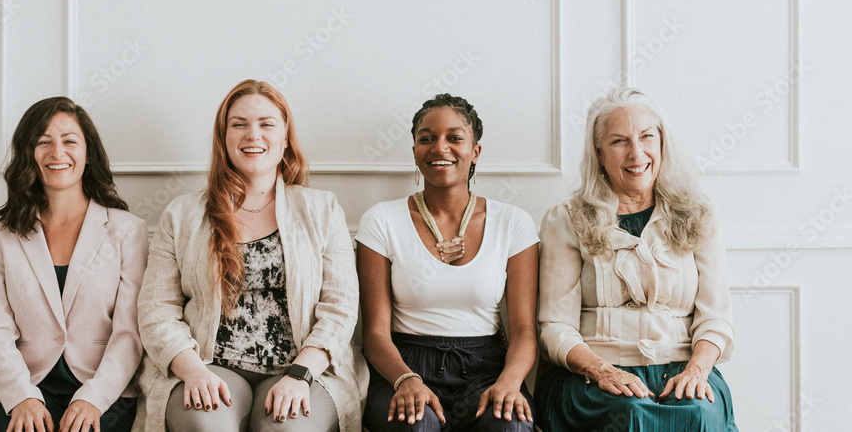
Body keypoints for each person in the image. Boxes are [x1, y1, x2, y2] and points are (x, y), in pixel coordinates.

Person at [133, 80, 367, 432]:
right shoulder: (181, 215)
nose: (252, 134)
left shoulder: (322, 209)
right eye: (239, 124)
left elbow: (341, 307)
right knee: (207, 427)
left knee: (286, 429)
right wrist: (193, 371)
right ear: (224, 137)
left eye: (266, 124)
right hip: (209, 365)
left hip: (304, 368)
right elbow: (156, 309)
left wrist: (300, 374)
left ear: (285, 137)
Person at [536, 87, 737, 431]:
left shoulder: (698, 213)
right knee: (631, 413)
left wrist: (697, 371)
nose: (636, 152)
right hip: (593, 375)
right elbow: (556, 326)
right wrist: (601, 370)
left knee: (698, 413)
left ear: (661, 143)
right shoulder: (566, 220)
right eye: (619, 141)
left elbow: (715, 318)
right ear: (599, 153)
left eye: (647, 137)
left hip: (682, 369)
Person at [357, 94, 539, 431]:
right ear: (414, 151)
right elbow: (375, 332)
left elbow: (525, 329)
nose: (440, 148)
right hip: (403, 364)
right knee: (414, 425)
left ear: (475, 152)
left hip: (487, 367)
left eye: (454, 138)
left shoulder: (513, 222)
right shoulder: (382, 220)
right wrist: (405, 379)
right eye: (427, 138)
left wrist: (510, 382)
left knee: (509, 426)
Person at [0, 97, 147, 432]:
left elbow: (129, 334)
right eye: (43, 142)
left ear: (88, 155)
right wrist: (22, 397)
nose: (57, 153)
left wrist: (94, 399)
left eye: (70, 141)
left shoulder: (128, 230)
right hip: (25, 390)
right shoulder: (2, 234)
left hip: (103, 395)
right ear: (30, 154)